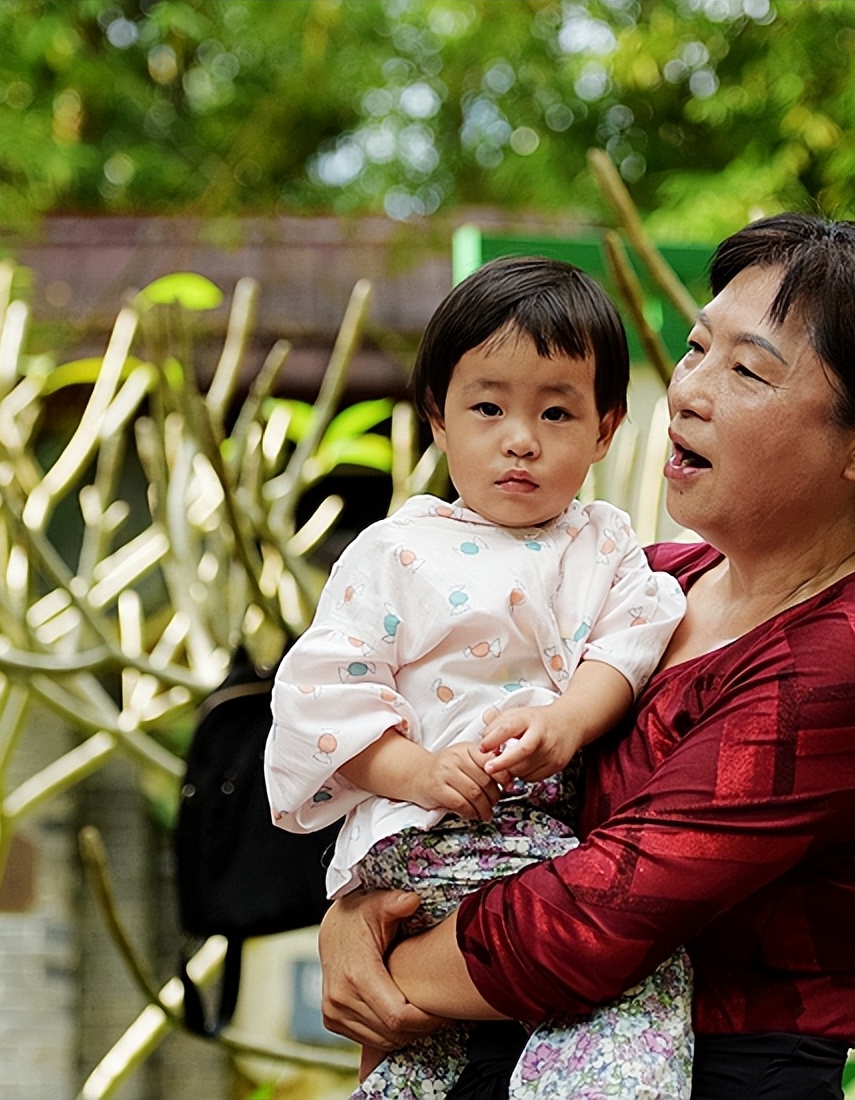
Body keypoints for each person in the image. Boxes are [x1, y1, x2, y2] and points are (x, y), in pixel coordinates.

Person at [317, 215, 855, 1100]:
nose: (690, 391)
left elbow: (598, 908)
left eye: (745, 369)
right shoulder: (650, 578)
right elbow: (412, 710)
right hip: (490, 1048)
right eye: (697, 348)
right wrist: (350, 916)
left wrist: (386, 963)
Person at [264, 255, 690, 1099]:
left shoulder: (603, 545)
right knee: (633, 965)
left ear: (606, 431)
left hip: (535, 840)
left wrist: (570, 720)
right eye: (488, 407)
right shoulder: (400, 550)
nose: (520, 438)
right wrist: (418, 771)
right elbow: (323, 697)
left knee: (427, 1046)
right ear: (439, 419)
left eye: (557, 412)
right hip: (437, 834)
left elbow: (632, 640)